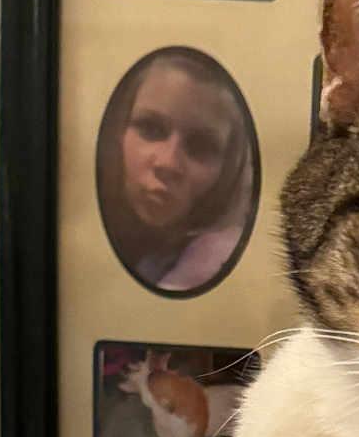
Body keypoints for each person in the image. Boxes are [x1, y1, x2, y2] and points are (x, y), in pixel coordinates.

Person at [96, 49, 254, 293]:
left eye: (201, 147)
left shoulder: (213, 260)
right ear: (118, 131)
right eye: (150, 128)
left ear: (227, 172)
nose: (168, 163)